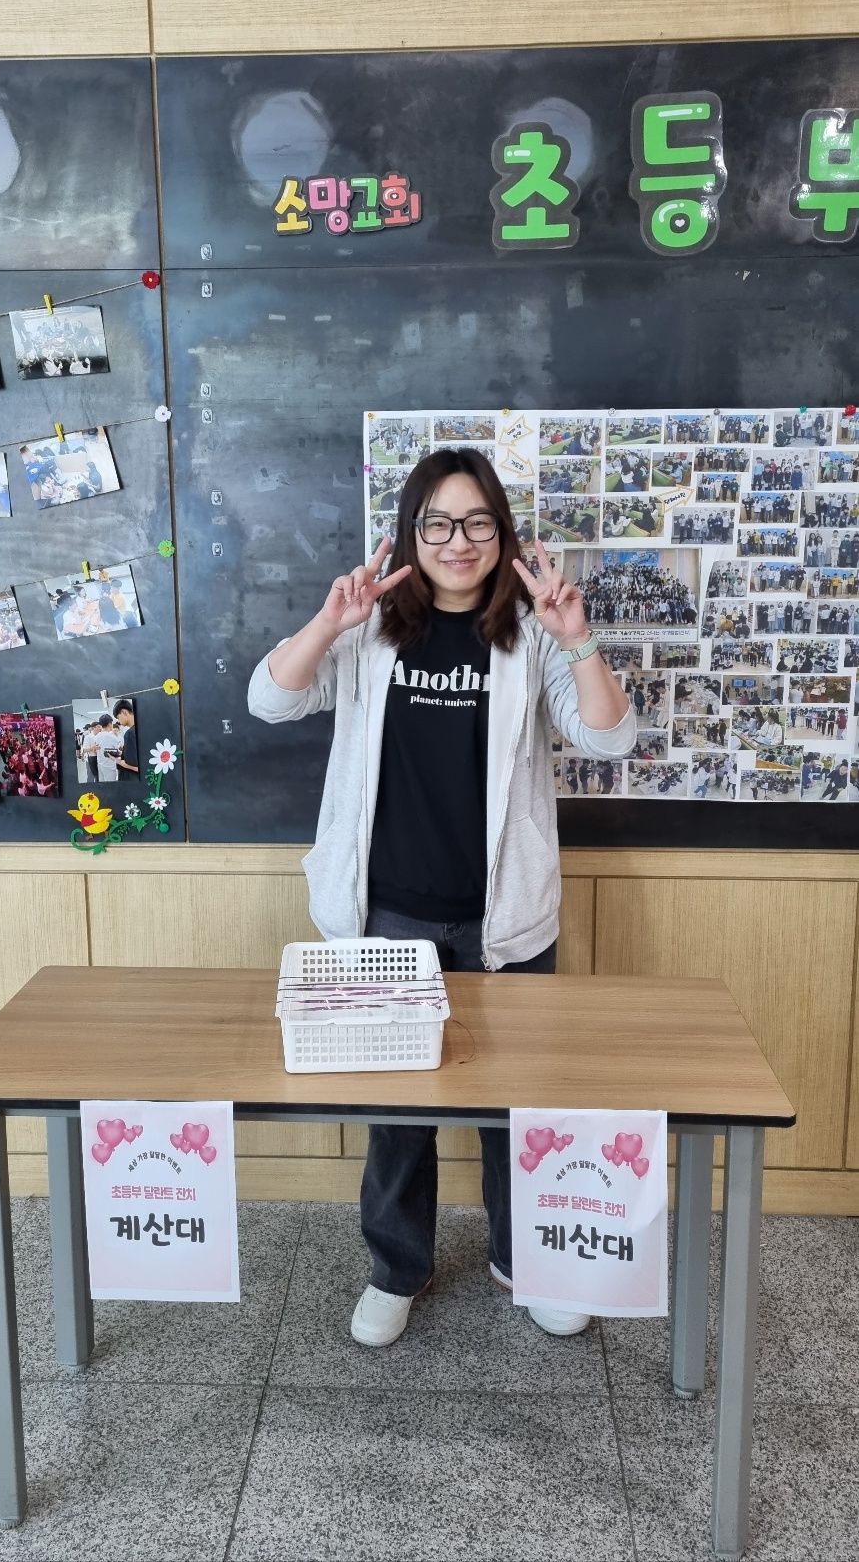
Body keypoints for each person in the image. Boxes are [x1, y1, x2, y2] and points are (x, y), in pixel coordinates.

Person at [248, 448, 634, 1347]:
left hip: (506, 919)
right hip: (387, 914)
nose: (458, 541)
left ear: (500, 533)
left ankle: (524, 1259)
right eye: (438, 522)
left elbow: (610, 740)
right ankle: (397, 1268)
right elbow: (270, 701)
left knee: (517, 1106)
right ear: (410, 531)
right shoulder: (369, 627)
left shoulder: (530, 633)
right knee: (397, 1114)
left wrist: (577, 637)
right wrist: (328, 620)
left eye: (476, 522)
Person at [113, 699, 139, 780]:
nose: (118, 721)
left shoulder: (130, 734)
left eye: (118, 717)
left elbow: (136, 766)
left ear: (124, 712)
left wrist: (117, 761)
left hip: (131, 778)